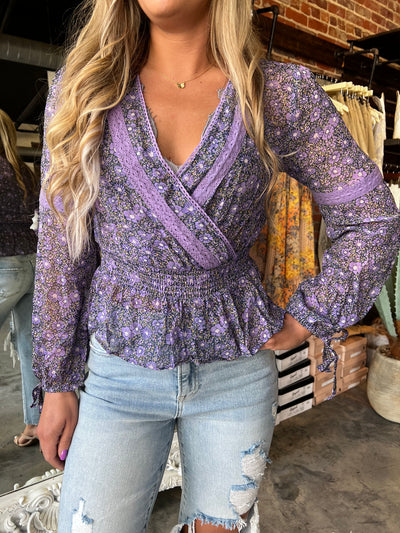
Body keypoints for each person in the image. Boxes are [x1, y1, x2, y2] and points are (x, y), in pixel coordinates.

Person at [32, 1, 400, 532]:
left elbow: (372, 217)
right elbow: (63, 248)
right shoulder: (85, 89)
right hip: (117, 377)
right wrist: (57, 380)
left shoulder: (277, 94)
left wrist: (311, 315)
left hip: (236, 377)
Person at [0, 108, 40, 447]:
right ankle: (36, 424)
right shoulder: (24, 172)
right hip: (32, 261)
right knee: (30, 346)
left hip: (4, 266)